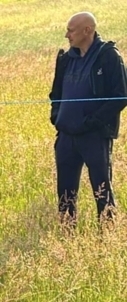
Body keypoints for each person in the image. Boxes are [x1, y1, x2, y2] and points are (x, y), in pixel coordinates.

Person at [49, 12, 127, 224]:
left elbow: (121, 96)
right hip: (66, 136)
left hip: (95, 136)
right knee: (65, 193)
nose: (67, 35)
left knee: (102, 189)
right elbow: (55, 94)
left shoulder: (109, 56)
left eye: (71, 30)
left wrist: (93, 122)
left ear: (88, 30)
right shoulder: (65, 59)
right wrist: (56, 117)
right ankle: (66, 236)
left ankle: (108, 234)